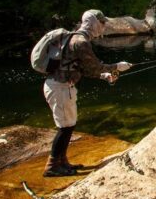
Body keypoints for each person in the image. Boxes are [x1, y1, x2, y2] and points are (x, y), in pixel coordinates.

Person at [42, 9, 132, 177]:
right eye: (102, 22)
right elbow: (95, 66)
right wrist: (117, 67)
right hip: (59, 88)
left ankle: (62, 162)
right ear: (93, 23)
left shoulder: (75, 38)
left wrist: (104, 76)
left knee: (69, 125)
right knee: (64, 127)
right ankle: (52, 166)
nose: (104, 26)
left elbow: (83, 68)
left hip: (61, 87)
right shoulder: (81, 42)